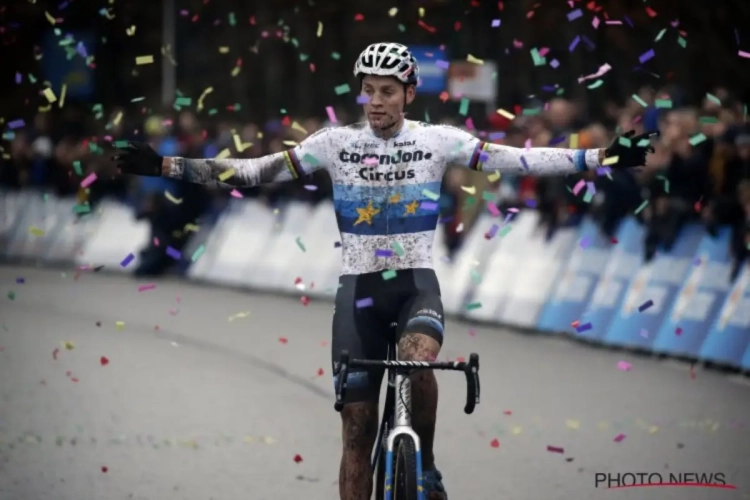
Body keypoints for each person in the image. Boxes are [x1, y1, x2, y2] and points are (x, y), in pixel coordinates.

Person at [113, 42, 657, 500]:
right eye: (367, 90)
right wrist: (166, 166)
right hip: (359, 294)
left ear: (409, 94)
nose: (375, 102)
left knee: (419, 359)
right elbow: (256, 171)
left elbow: (517, 158)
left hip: (416, 284)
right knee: (356, 429)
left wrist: (603, 158)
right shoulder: (334, 144)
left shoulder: (437, 140)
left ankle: (425, 463)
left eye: (387, 91)